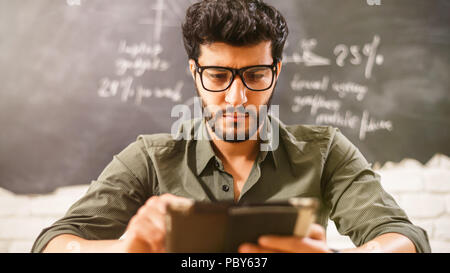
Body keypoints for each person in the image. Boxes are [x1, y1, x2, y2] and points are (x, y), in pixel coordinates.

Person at [32, 0, 430, 253]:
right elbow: (53, 243)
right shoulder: (149, 158)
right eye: (219, 76)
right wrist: (124, 250)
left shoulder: (325, 151)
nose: (237, 97)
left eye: (255, 75)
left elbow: (404, 237)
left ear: (276, 72)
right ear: (195, 73)